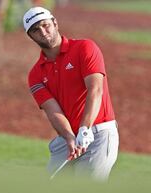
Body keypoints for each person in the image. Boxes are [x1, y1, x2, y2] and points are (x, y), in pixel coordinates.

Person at [23, 7, 119, 181]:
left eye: (46, 25)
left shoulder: (85, 48)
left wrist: (85, 127)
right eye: (36, 30)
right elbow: (53, 111)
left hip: (98, 134)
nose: (43, 32)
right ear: (31, 36)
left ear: (55, 23)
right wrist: (68, 136)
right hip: (69, 139)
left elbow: (95, 89)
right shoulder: (35, 74)